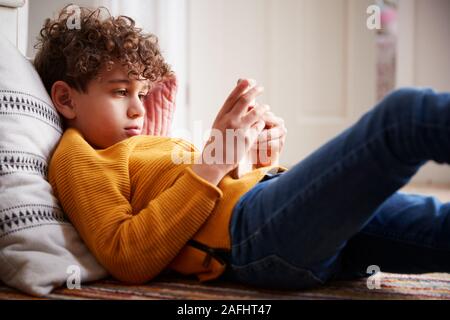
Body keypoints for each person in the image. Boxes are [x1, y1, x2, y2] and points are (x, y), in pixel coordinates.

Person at [39, 5, 450, 290]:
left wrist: (252, 157)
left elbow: (203, 197)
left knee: (438, 227)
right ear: (66, 99)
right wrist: (212, 165)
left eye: (143, 93)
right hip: (253, 234)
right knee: (405, 116)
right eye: (121, 92)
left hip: (274, 215)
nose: (137, 108)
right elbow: (125, 255)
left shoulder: (142, 144)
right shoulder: (79, 155)